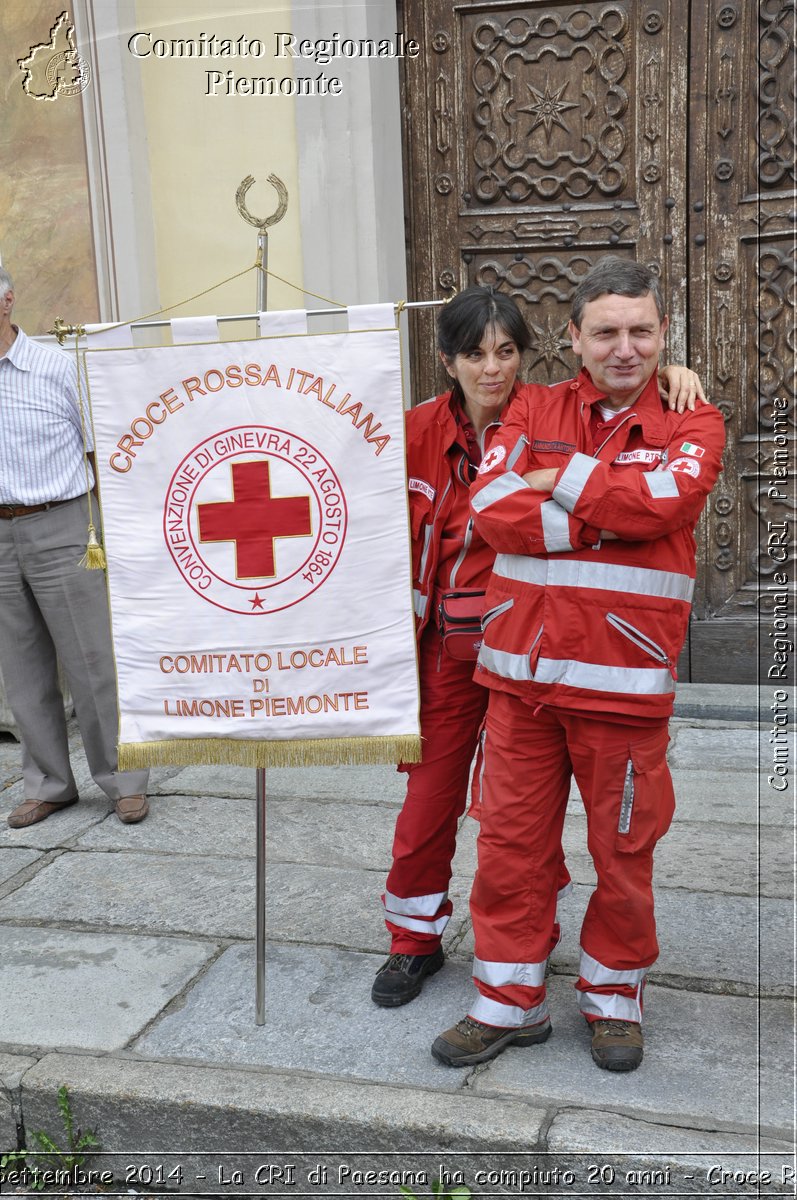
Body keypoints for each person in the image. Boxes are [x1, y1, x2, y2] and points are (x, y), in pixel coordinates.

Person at [371, 282, 706, 1008]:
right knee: (432, 804)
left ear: (529, 354)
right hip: (454, 650)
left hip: (540, 651)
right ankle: (412, 940)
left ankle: (543, 947)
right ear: (445, 361)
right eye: (474, 354)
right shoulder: (418, 429)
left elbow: (666, 502)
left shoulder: (557, 412)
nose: (491, 369)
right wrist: (614, 516)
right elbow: (493, 515)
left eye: (506, 352)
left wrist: (566, 484)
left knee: (521, 823)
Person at [0, 266, 150, 828]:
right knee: (21, 669)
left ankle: (122, 778)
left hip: (63, 524)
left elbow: (100, 452)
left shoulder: (57, 369)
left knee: (92, 662)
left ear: (8, 301)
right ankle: (49, 784)